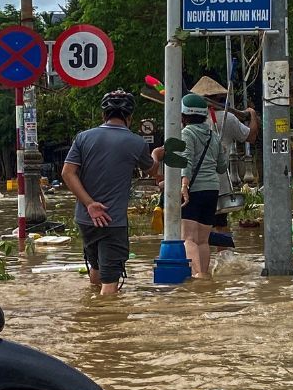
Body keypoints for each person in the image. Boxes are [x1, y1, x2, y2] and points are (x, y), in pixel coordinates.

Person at [62, 89, 164, 295]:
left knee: (96, 268)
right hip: (112, 220)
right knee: (110, 280)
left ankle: (91, 310)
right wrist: (156, 153)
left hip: (85, 219)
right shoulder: (136, 142)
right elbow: (152, 170)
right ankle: (106, 322)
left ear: (103, 115)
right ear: (129, 117)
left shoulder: (83, 138)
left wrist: (89, 204)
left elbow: (67, 173)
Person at [192, 75, 256, 250]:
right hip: (218, 183)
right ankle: (224, 261)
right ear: (219, 98)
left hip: (194, 183)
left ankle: (201, 266)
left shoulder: (189, 122)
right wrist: (252, 115)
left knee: (195, 229)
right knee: (220, 225)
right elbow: (251, 136)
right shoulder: (228, 118)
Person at [178, 93, 223, 279]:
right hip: (212, 189)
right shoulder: (214, 135)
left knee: (188, 238)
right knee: (203, 240)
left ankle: (199, 277)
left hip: (194, 189)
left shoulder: (187, 133)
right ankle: (204, 274)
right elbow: (222, 166)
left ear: (184, 116)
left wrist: (184, 185)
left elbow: (186, 159)